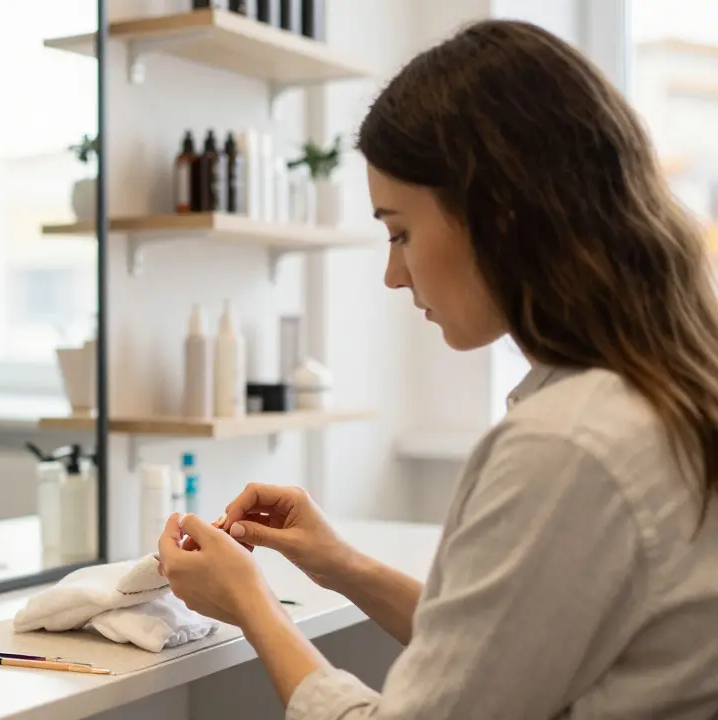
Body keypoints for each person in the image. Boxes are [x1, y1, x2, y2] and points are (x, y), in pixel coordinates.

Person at [157, 18, 718, 719]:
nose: (394, 274)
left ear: (498, 213)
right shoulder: (659, 388)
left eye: (400, 232)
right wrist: (344, 567)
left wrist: (252, 606)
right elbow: (502, 652)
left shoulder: (569, 445)